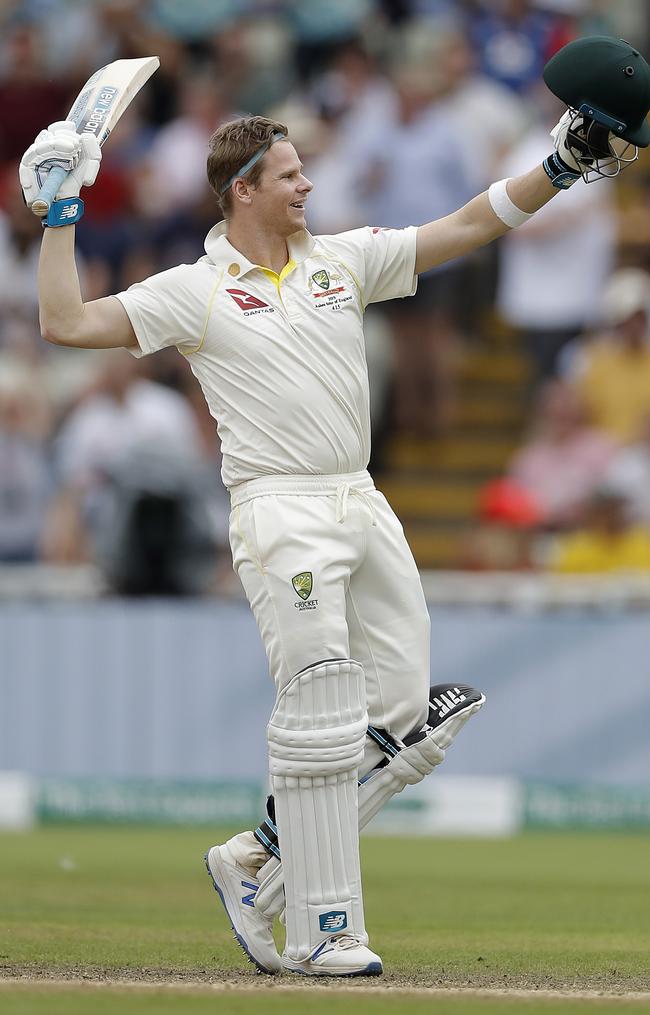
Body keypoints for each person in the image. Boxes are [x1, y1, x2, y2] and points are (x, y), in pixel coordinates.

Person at [18, 43, 645, 976]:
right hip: (280, 509)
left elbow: (468, 225)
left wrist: (557, 168)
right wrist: (63, 212)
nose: (309, 184)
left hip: (362, 499)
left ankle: (256, 857)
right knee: (320, 711)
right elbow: (66, 324)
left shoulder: (341, 262)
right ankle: (323, 929)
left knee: (402, 717)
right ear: (242, 191)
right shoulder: (195, 290)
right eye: (290, 174)